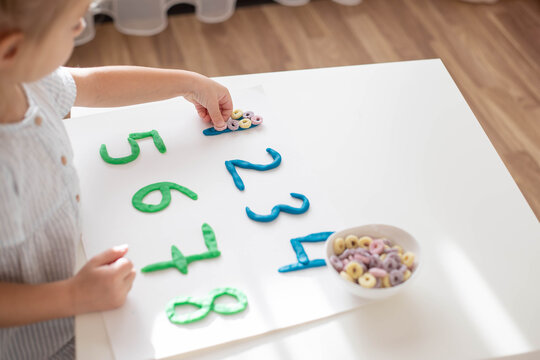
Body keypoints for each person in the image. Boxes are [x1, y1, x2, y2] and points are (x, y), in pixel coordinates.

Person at [0, 0, 233, 358]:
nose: (80, 29)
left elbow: (93, 84)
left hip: (88, 287)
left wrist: (189, 83)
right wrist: (73, 296)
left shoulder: (30, 81)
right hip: (36, 344)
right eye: (73, 23)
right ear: (12, 49)